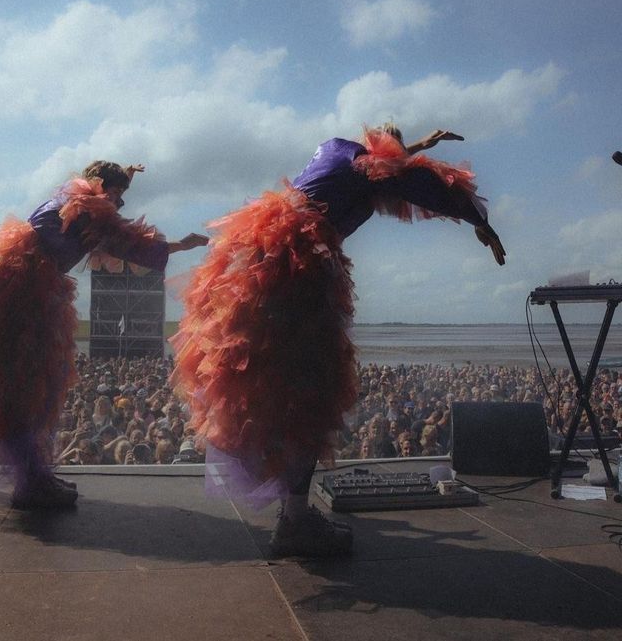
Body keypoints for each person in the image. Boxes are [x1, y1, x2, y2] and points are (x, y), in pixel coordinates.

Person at [170, 124, 504, 557]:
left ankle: (292, 513)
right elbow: (419, 183)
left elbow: (381, 166)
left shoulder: (337, 152)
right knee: (310, 392)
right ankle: (294, 521)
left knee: (271, 388)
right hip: (293, 273)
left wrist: (417, 147)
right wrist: (481, 221)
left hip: (253, 266)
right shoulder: (365, 165)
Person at [0, 160, 207, 508]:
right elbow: (125, 242)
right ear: (100, 184)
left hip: (29, 297)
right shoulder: (85, 209)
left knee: (34, 392)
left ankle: (35, 475)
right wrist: (181, 244)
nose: (118, 199)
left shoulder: (77, 202)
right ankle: (30, 482)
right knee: (23, 392)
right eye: (116, 191)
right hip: (25, 302)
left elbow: (105, 223)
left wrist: (118, 186)